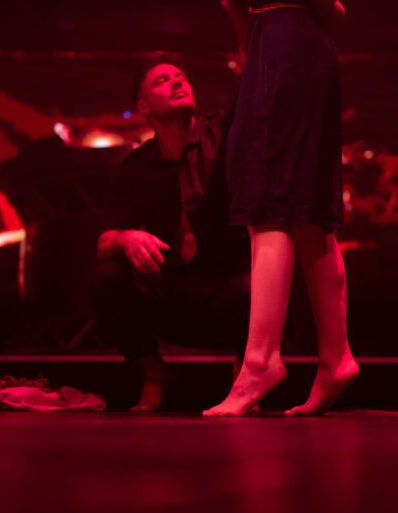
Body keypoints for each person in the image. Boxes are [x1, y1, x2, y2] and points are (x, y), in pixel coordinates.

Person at [204, 0, 359, 416]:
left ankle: (261, 360)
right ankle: (335, 356)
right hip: (277, 46)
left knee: (268, 199)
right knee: (304, 210)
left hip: (285, 49)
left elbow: (331, 10)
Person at [90, 54, 252, 411]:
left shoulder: (223, 133)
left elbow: (250, 91)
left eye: (181, 76)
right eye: (162, 80)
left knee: (265, 280)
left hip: (230, 297)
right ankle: (154, 374)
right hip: (173, 298)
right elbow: (103, 243)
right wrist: (126, 239)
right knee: (108, 278)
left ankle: (246, 376)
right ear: (143, 107)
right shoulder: (137, 165)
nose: (177, 81)